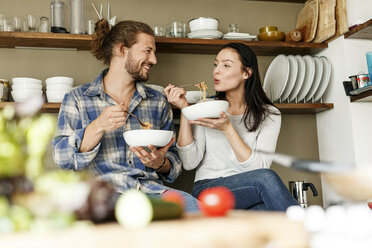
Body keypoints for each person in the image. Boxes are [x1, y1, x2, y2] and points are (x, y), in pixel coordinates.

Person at [52, 19, 198, 212]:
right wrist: (98, 126)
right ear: (122, 49)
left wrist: (160, 163)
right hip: (101, 195)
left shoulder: (157, 100)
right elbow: (62, 158)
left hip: (151, 192)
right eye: (147, 51)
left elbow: (174, 163)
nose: (154, 60)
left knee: (194, 209)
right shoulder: (77, 98)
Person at [164, 43, 298, 211]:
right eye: (215, 64)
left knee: (265, 211)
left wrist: (228, 128)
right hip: (207, 190)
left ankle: (306, 232)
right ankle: (312, 229)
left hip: (250, 190)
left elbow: (258, 169)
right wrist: (186, 110)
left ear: (246, 73)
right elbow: (190, 162)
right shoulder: (207, 106)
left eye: (226, 65)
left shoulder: (269, 114)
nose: (216, 71)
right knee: (266, 180)